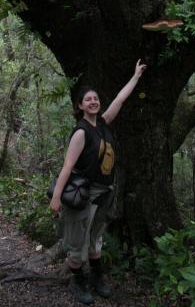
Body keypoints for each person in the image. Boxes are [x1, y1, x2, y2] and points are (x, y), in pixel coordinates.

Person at [50, 59, 146, 305]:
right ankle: (79, 282)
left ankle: (97, 279)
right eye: (88, 100)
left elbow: (119, 101)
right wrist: (56, 197)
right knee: (77, 246)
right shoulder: (81, 132)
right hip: (84, 196)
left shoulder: (101, 124)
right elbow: (68, 166)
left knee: (95, 242)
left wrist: (135, 76)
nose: (93, 102)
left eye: (95, 99)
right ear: (80, 106)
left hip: (104, 194)